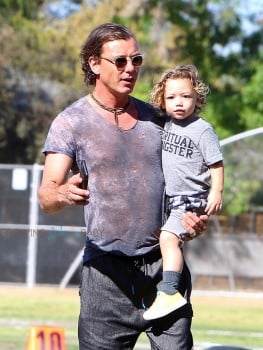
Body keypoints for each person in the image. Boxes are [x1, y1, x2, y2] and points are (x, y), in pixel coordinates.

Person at [38, 23, 208, 350]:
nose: (130, 69)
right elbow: (46, 196)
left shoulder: (160, 120)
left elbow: (189, 176)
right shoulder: (71, 122)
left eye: (136, 60)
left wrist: (193, 216)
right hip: (105, 278)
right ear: (94, 64)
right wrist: (62, 193)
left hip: (163, 272)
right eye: (120, 61)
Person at [143, 65, 224, 321]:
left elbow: (216, 164)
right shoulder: (165, 124)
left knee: (168, 238)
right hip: (173, 199)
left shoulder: (202, 129)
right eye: (171, 97)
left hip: (191, 198)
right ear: (161, 100)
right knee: (167, 238)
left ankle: (169, 292)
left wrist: (216, 192)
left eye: (186, 96)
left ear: (197, 98)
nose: (179, 102)